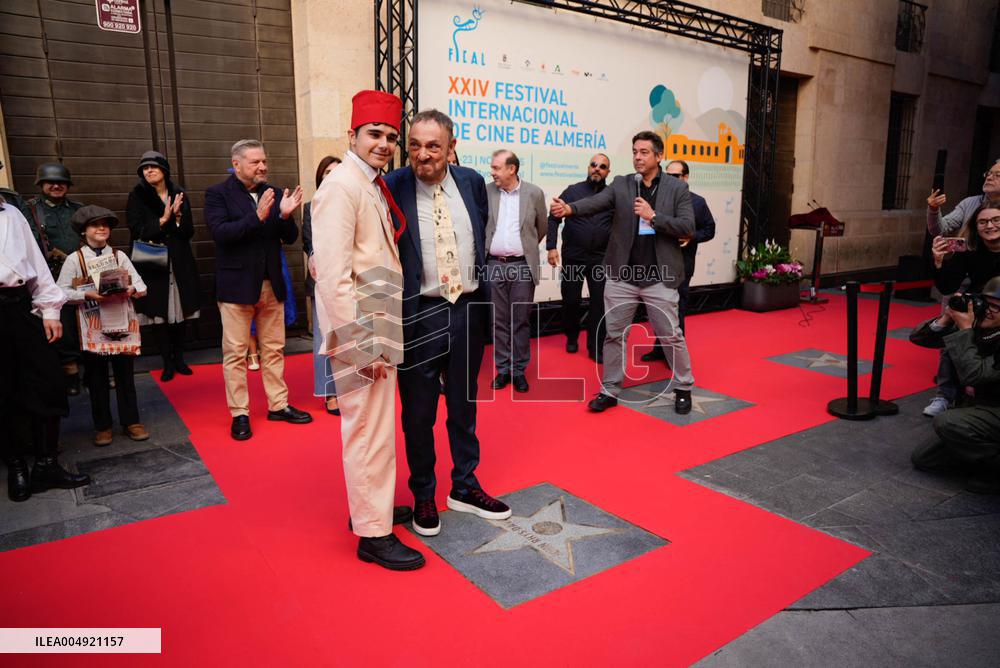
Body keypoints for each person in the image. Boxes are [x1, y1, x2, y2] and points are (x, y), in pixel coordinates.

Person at [384, 109, 512, 537]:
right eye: (414, 145)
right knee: (418, 412)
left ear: (451, 147)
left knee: (463, 404)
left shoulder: (472, 182)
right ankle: (423, 492)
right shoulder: (392, 186)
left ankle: (465, 486)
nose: (422, 155)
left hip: (467, 309)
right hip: (420, 313)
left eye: (433, 146)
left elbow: (478, 234)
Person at [311, 89, 424, 571]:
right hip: (360, 328)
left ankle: (371, 508)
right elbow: (333, 278)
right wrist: (360, 345)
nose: (384, 144)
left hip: (378, 315)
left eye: (391, 137)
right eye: (374, 134)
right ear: (352, 135)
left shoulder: (368, 181)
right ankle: (373, 535)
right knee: (365, 430)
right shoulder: (341, 186)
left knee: (376, 427)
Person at [551, 130, 696, 414]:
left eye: (644, 152)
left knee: (671, 335)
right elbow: (596, 203)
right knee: (614, 335)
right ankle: (610, 389)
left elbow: (687, 226)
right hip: (622, 277)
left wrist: (654, 217)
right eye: (634, 152)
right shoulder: (622, 184)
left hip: (659, 277)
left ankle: (683, 386)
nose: (638, 157)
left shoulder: (676, 188)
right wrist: (570, 209)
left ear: (659, 156)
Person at [204, 139, 310, 441]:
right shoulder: (217, 194)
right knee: (236, 354)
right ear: (236, 164)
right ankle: (240, 413)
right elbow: (221, 234)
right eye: (255, 162)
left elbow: (290, 237)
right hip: (236, 288)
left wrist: (285, 216)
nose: (263, 166)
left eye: (264, 161)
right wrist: (257, 217)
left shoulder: (273, 192)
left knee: (274, 350)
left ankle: (278, 405)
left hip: (271, 285)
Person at [0, 194, 90, 502]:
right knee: (4, 392)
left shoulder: (12, 213)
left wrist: (50, 310)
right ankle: (16, 466)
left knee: (48, 383)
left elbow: (36, 264)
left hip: (19, 306)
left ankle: (46, 464)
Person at [57, 206, 150, 445]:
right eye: (95, 225)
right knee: (97, 379)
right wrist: (87, 295)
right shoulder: (75, 259)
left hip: (122, 325)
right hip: (93, 328)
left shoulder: (120, 256)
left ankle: (132, 422)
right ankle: (103, 426)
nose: (102, 228)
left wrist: (131, 289)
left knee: (125, 376)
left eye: (105, 224)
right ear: (83, 231)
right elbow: (60, 292)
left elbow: (141, 286)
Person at [909, 275, 1000, 494]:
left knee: (948, 423)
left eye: (996, 307)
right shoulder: (978, 326)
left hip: (996, 409)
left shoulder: (972, 330)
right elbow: (918, 338)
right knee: (924, 458)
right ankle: (982, 458)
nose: (987, 310)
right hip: (978, 409)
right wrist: (946, 319)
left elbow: (975, 375)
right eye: (985, 302)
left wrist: (965, 331)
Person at [126, 151, 201, 382]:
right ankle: (167, 363)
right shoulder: (137, 195)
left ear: (164, 171)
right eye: (144, 168)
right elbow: (136, 229)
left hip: (178, 260)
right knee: (158, 315)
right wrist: (162, 219)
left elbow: (189, 232)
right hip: (152, 261)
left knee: (180, 314)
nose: (148, 171)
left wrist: (177, 218)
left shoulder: (179, 193)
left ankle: (179, 359)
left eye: (153, 167)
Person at [485, 149, 548, 393]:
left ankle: (519, 370)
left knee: (520, 320)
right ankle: (502, 370)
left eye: (496, 168)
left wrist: (524, 249)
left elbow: (541, 227)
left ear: (512, 169)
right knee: (498, 321)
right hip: (493, 265)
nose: (492, 172)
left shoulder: (534, 193)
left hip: (522, 266)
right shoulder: (487, 191)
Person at [21, 163, 86, 395]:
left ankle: (92, 371)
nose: (56, 186)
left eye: (61, 182)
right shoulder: (29, 209)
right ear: (41, 184)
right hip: (48, 276)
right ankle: (70, 371)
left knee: (86, 320)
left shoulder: (78, 209)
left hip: (79, 273)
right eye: (51, 182)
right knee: (61, 324)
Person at [643, 159, 716, 362]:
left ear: (685, 177)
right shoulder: (658, 198)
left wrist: (692, 236)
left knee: (677, 309)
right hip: (657, 262)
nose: (670, 179)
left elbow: (710, 229)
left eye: (675, 176)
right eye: (667, 175)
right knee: (657, 308)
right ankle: (659, 349)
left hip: (682, 264)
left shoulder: (697, 202)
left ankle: (675, 356)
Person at [547, 153, 613, 361]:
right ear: (588, 167)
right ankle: (572, 336)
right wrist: (551, 247)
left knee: (599, 304)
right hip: (573, 257)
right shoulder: (573, 191)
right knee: (571, 300)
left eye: (602, 166)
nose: (597, 168)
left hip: (600, 259)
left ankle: (596, 347)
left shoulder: (612, 196)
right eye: (594, 164)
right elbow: (553, 218)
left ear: (608, 172)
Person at [302, 155, 342, 415]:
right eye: (328, 172)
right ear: (320, 177)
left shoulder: (353, 203)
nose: (333, 176)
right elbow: (309, 241)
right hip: (323, 280)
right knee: (326, 337)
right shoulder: (311, 206)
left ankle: (353, 387)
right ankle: (330, 393)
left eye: (337, 171)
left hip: (352, 280)